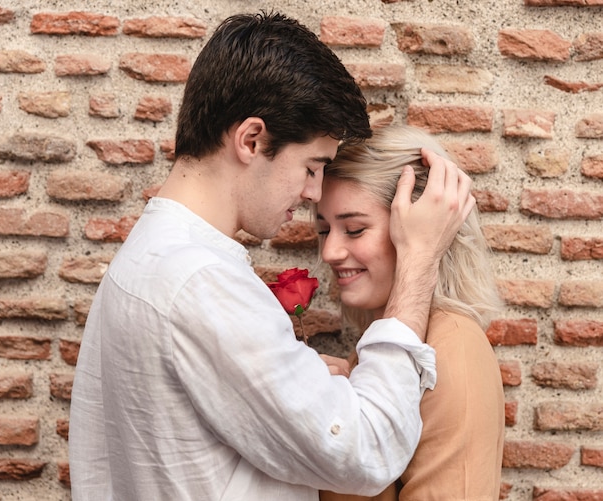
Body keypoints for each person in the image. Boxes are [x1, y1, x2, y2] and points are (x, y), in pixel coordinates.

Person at [68, 12, 475, 501]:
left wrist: (297, 386)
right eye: (311, 166)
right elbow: (366, 451)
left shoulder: (143, 260)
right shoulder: (202, 284)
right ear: (251, 140)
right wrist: (419, 260)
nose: (312, 192)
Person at [316, 125, 505, 501]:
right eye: (324, 230)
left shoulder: (452, 349)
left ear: (422, 229)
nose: (330, 252)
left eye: (354, 229)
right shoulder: (382, 347)